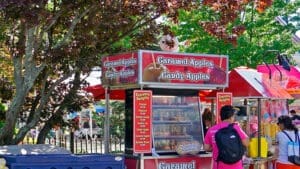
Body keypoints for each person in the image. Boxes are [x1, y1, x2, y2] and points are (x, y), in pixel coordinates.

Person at [204, 105, 249, 169]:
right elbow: (246, 143)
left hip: (219, 165)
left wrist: (216, 145)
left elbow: (206, 148)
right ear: (231, 117)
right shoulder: (236, 128)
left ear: (220, 117)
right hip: (236, 166)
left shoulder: (211, 130)